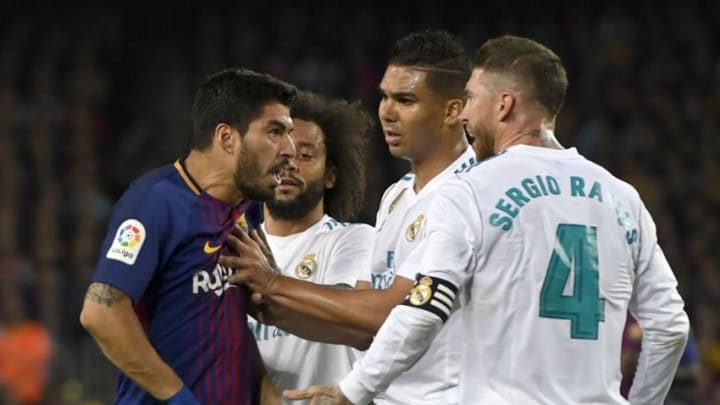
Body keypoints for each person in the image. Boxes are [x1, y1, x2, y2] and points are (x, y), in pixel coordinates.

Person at [287, 35, 691, 405]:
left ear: (504, 105)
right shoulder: (622, 196)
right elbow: (670, 326)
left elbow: (426, 307)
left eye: (471, 98)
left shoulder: (471, 190)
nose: (464, 113)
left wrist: (352, 391)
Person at [224, 30, 492, 405]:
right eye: (384, 96)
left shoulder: (473, 193)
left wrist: (272, 286)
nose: (386, 111)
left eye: (406, 99)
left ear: (452, 110)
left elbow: (391, 311)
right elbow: (364, 330)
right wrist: (262, 308)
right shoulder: (398, 196)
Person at [79, 68, 297, 404]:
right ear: (226, 138)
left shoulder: (245, 209)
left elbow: (229, 315)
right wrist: (180, 398)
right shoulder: (155, 202)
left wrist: (264, 386)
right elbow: (101, 312)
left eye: (289, 133)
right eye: (274, 132)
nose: (290, 149)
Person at [245, 90, 375, 405]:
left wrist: (271, 285)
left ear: (331, 175)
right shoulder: (240, 245)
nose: (289, 166)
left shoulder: (354, 239)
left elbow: (353, 319)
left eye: (304, 155)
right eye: (280, 154)